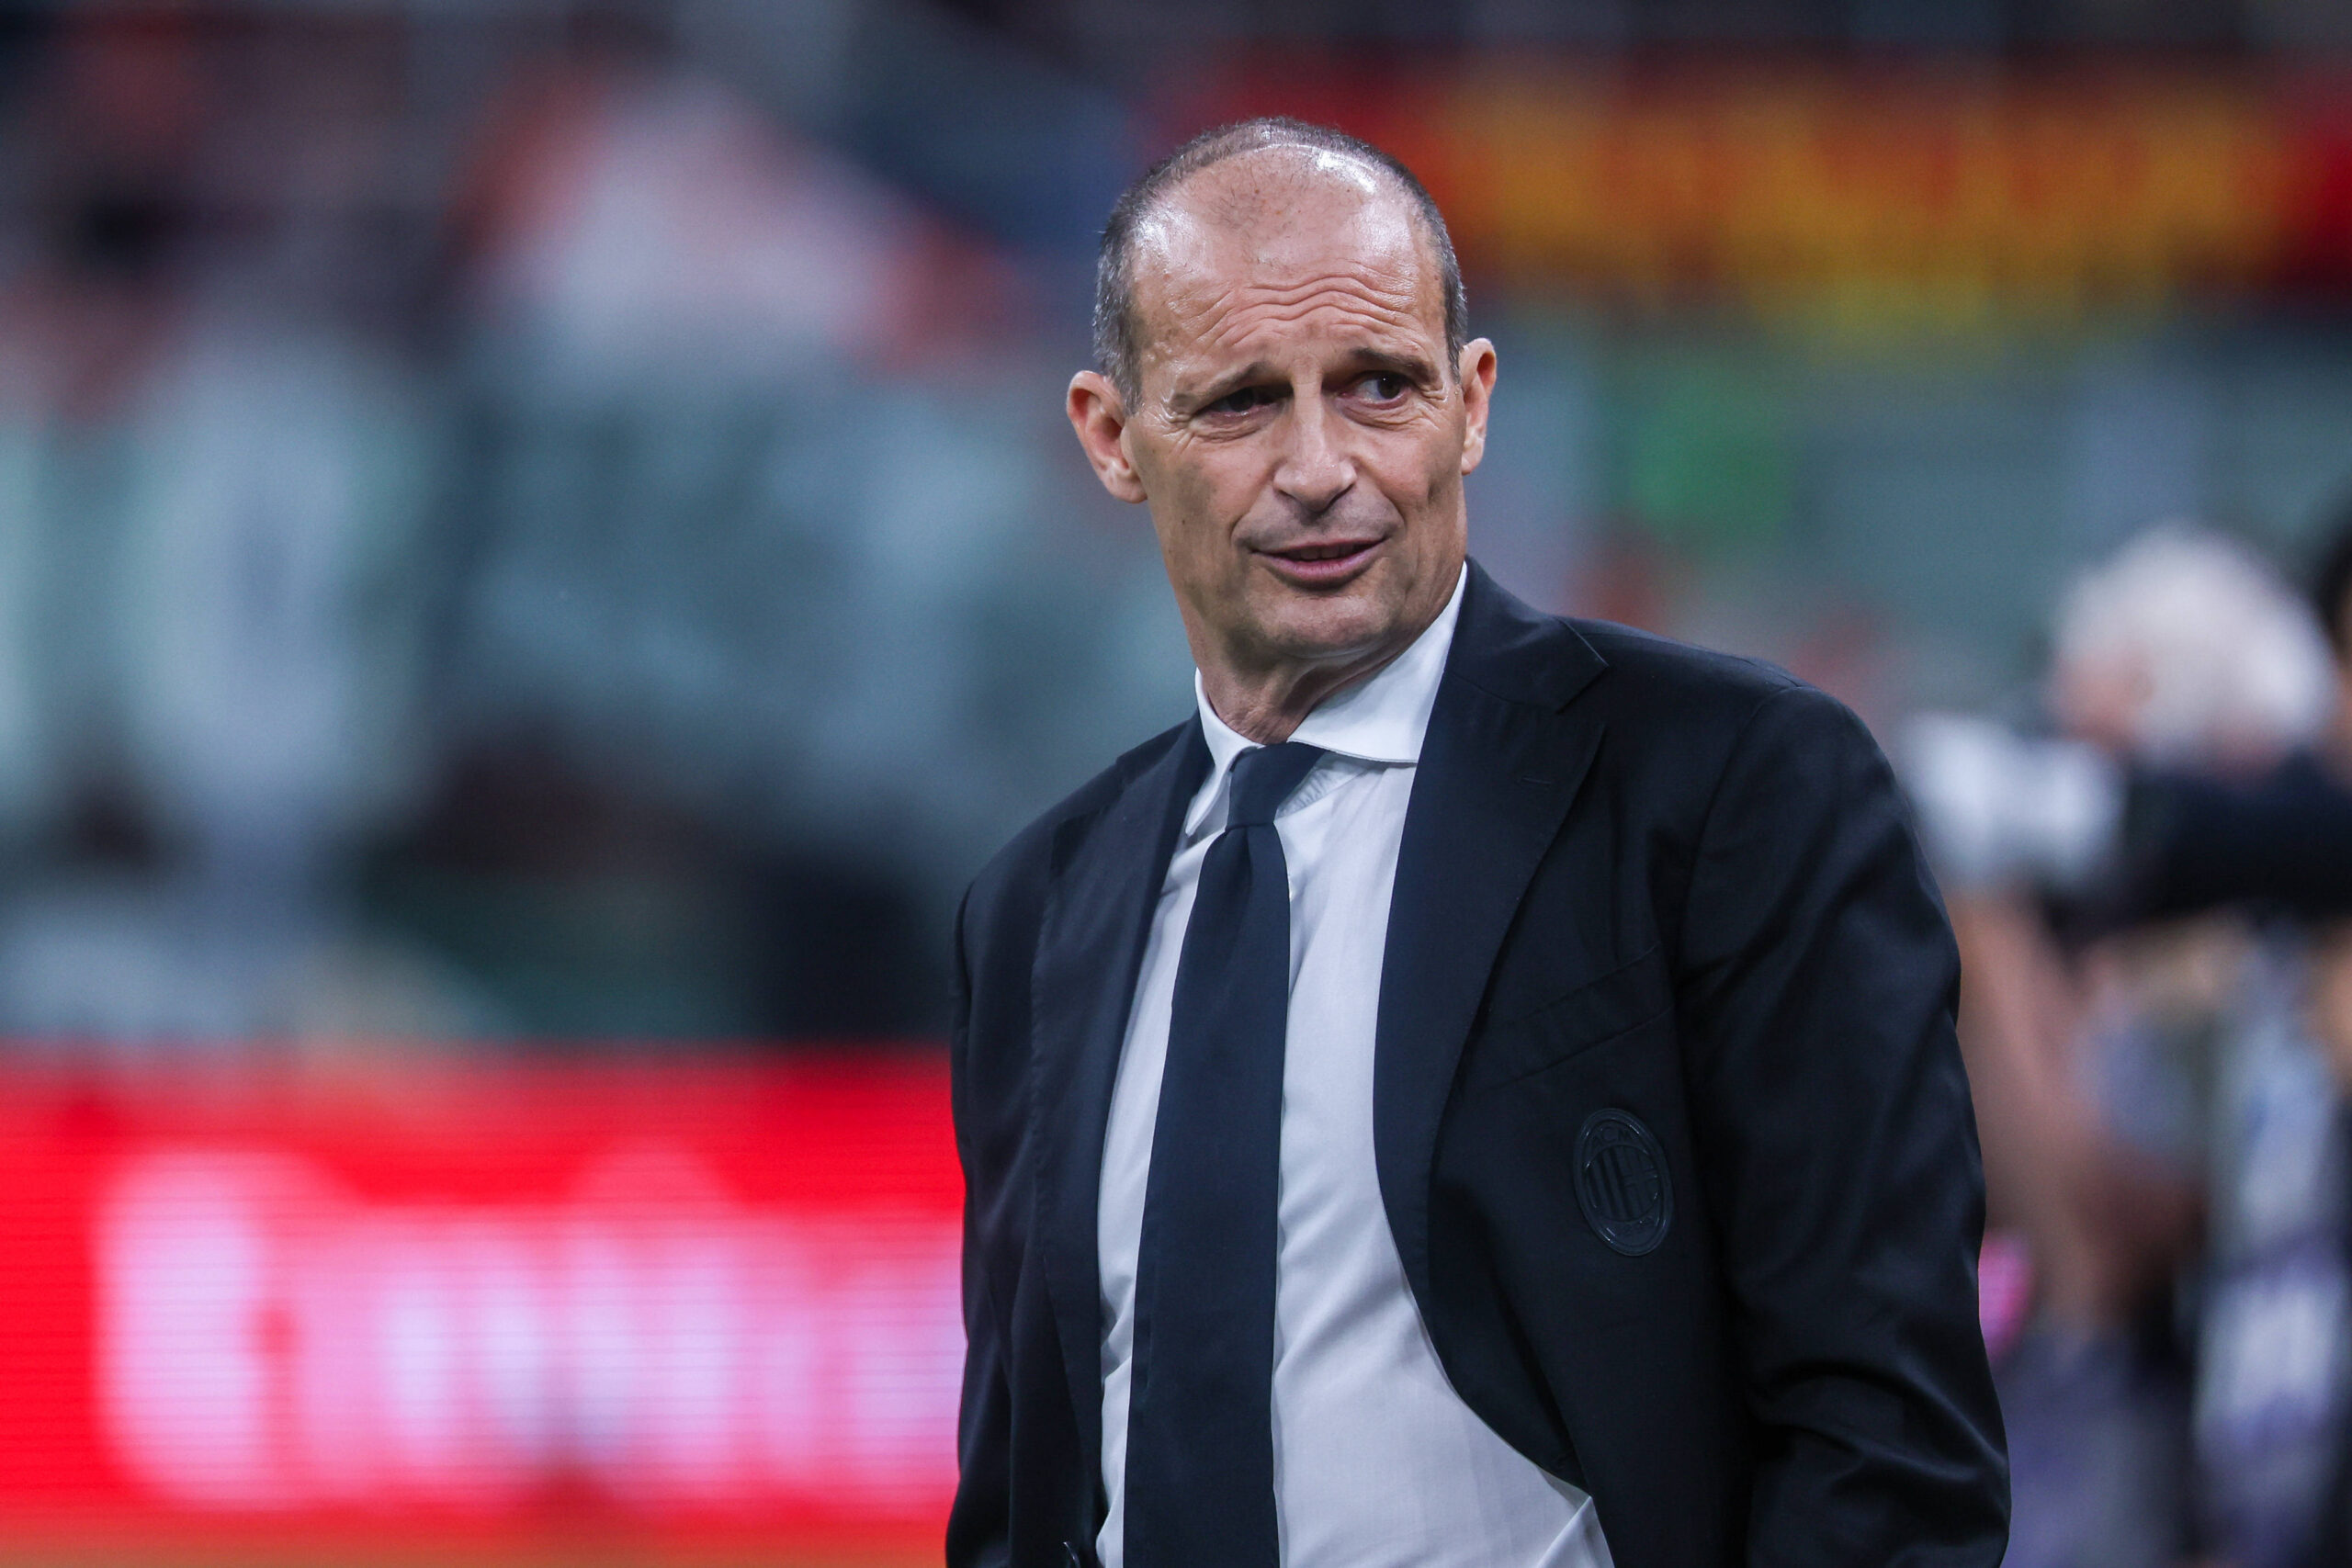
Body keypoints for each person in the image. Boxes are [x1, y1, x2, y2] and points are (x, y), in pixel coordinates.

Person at [945, 118, 2007, 1568]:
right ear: (1111, 440)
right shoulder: (1033, 913)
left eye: (1378, 386)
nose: (1320, 467)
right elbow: (1023, 1496)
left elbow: (1886, 1451)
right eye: (1244, 404)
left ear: (1474, 401)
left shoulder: (1733, 790)